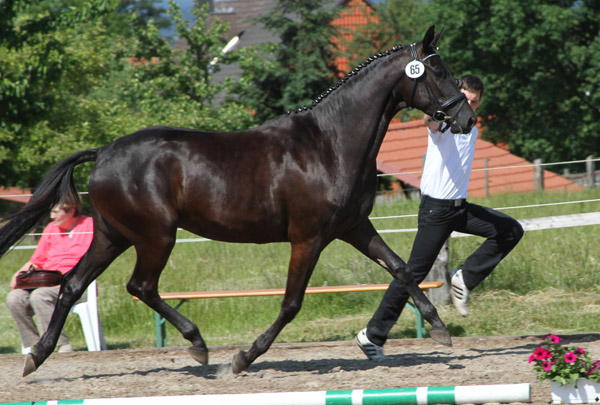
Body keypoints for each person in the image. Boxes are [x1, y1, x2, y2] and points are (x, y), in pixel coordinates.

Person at [356, 75, 524, 360]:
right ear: (456, 97)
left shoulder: (471, 127)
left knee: (510, 230)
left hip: (459, 209)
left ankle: (464, 278)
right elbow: (430, 123)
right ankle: (372, 334)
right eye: (466, 99)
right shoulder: (443, 124)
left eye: (474, 102)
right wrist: (435, 114)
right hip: (436, 211)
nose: (470, 105)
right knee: (411, 274)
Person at [7, 199, 93, 354]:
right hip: (47, 282)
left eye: (55, 212)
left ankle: (59, 345)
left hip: (76, 284)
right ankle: (35, 345)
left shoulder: (89, 226)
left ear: (71, 211)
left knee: (40, 296)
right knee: (14, 298)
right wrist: (18, 275)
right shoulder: (51, 228)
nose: (52, 216)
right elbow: (37, 260)